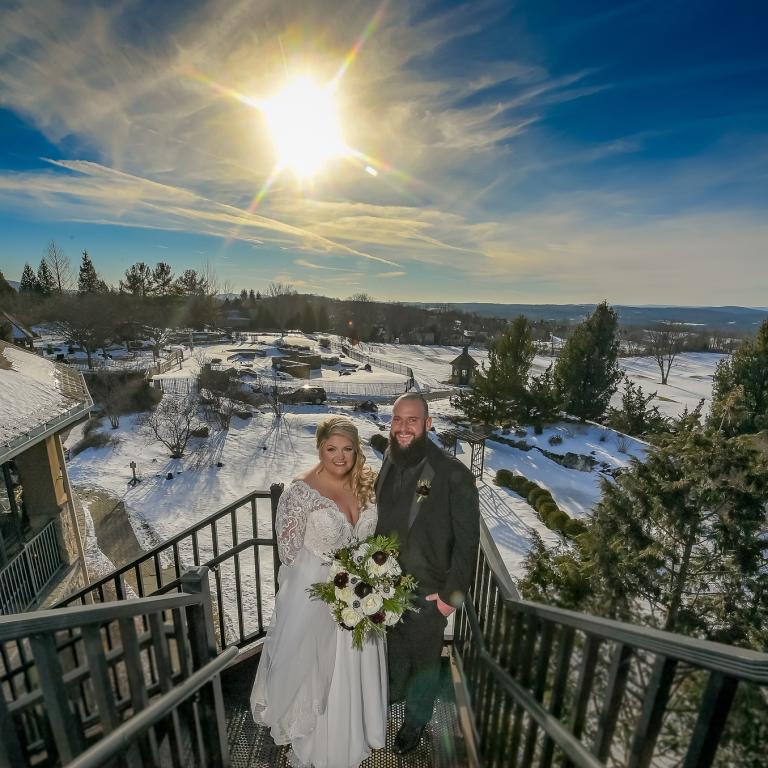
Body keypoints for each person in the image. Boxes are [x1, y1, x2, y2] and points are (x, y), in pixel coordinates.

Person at [250, 416, 387, 768]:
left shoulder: (365, 484)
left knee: (358, 662)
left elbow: (370, 540)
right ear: (320, 449)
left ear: (357, 452)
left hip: (363, 594)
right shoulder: (300, 492)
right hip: (319, 598)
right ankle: (326, 745)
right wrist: (323, 585)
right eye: (332, 449)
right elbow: (290, 554)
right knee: (324, 671)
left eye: (348, 449)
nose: (340, 457)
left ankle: (360, 730)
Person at [375, 393, 480, 755]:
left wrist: (450, 601)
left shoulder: (454, 474)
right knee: (393, 653)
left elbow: (468, 544)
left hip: (429, 593)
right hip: (386, 587)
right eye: (397, 420)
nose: (403, 428)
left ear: (428, 423)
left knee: (424, 664)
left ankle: (416, 723)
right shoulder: (389, 457)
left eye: (412, 420)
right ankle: (392, 697)